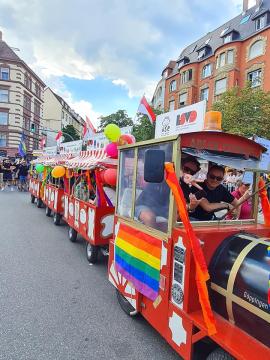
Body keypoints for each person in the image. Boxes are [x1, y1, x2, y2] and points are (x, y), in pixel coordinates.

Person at [135, 155, 202, 228]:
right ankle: (150, 239)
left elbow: (182, 207)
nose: (188, 173)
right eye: (186, 169)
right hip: (145, 205)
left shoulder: (185, 186)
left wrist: (190, 207)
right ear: (179, 166)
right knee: (149, 218)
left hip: (164, 211)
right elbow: (167, 170)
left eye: (192, 172)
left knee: (189, 219)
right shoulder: (164, 173)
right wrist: (182, 176)